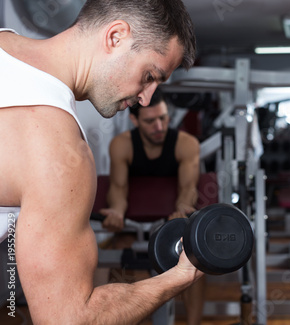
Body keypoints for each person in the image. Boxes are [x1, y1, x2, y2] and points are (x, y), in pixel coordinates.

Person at [0, 0, 204, 323]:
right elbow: (67, 319)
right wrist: (178, 277)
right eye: (149, 75)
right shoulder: (60, 151)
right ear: (115, 37)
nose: (146, 99)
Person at [100, 88, 205, 325]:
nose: (159, 126)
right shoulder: (122, 145)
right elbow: (118, 187)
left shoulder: (186, 144)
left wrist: (182, 209)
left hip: (172, 218)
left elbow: (188, 187)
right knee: (125, 254)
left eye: (163, 118)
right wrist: (116, 210)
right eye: (150, 121)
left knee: (195, 258)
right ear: (134, 120)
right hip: (135, 222)